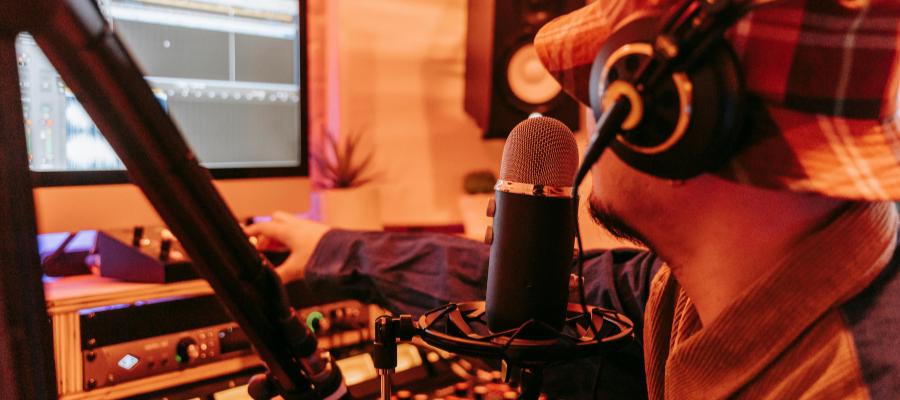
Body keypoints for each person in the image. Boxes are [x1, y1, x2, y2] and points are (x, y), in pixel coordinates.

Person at [246, 1, 900, 399]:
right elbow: (541, 295)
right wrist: (337, 248)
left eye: (598, 76)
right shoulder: (704, 286)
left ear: (662, 111)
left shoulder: (857, 382)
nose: (586, 111)